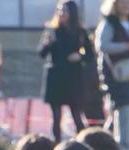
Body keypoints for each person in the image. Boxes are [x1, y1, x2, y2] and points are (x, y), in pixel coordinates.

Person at [39, 1, 91, 142]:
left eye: (65, 11)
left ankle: (83, 142)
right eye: (59, 10)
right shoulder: (52, 30)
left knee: (76, 114)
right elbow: (42, 53)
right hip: (55, 76)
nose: (61, 13)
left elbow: (91, 54)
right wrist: (47, 43)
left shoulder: (80, 32)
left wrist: (79, 56)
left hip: (73, 77)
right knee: (56, 116)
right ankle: (56, 144)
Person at [96, 0, 129, 150]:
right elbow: (102, 46)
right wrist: (127, 46)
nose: (126, 6)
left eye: (128, 3)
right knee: (124, 106)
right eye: (122, 3)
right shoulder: (109, 24)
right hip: (115, 72)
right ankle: (123, 146)